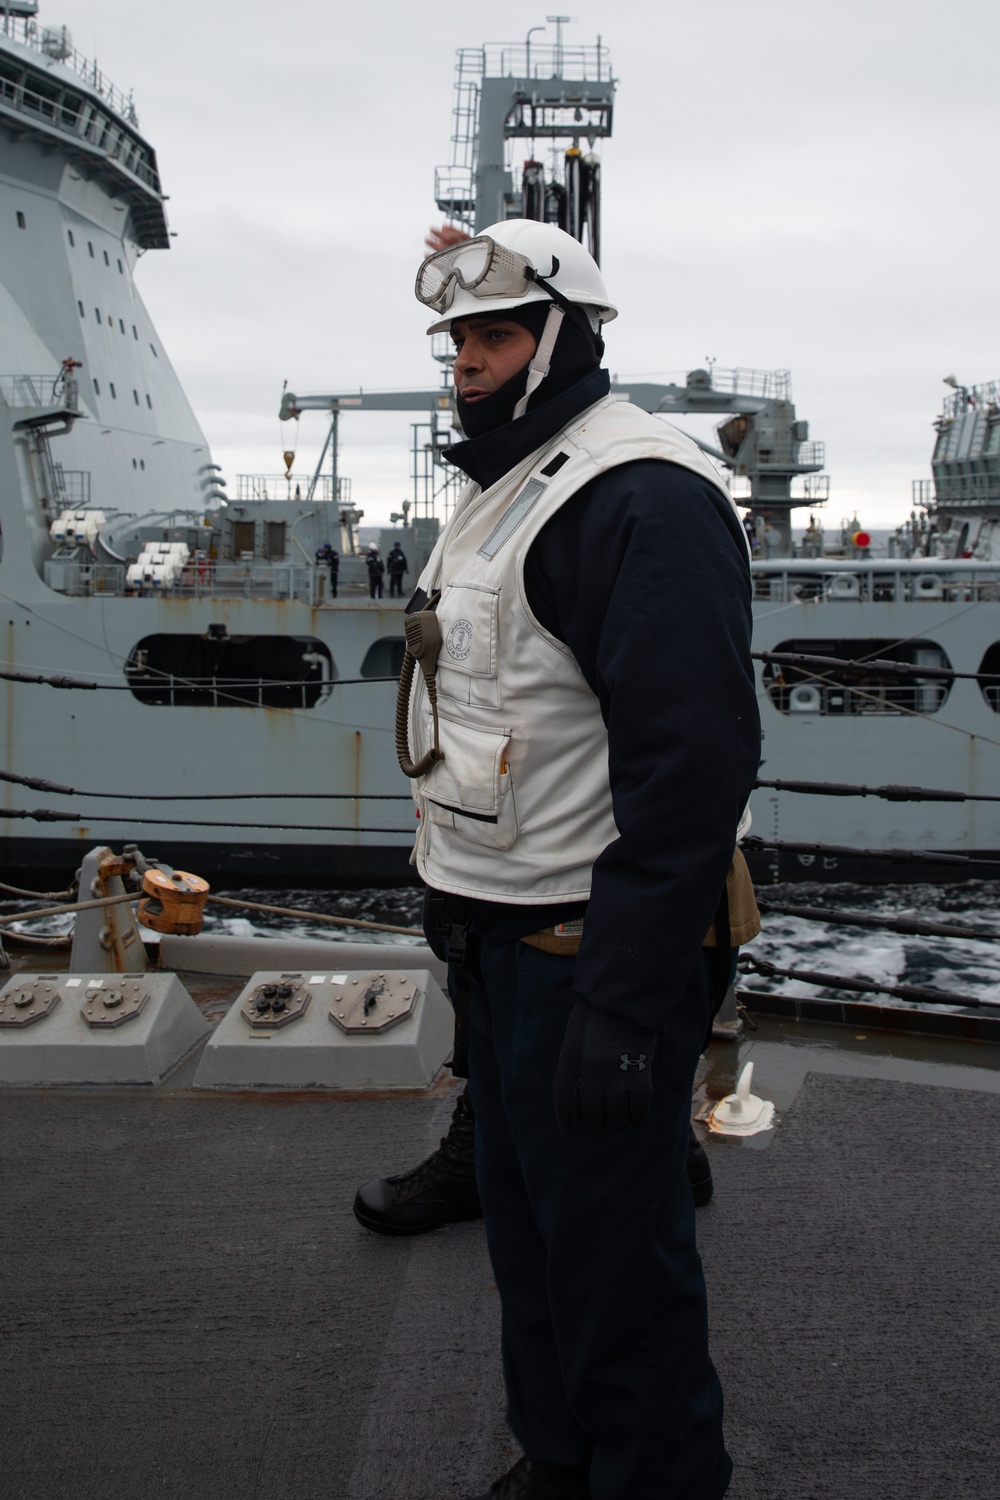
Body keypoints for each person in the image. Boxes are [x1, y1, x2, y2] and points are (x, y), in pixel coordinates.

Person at [389, 220, 760, 1500]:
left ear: (563, 337)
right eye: (457, 339)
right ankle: (559, 1458)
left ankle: (652, 1479)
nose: (466, 364)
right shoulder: (511, 481)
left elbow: (691, 771)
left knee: (615, 1254)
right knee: (533, 1237)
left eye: (494, 335)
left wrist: (626, 993)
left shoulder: (639, 495)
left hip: (581, 946)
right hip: (499, 940)